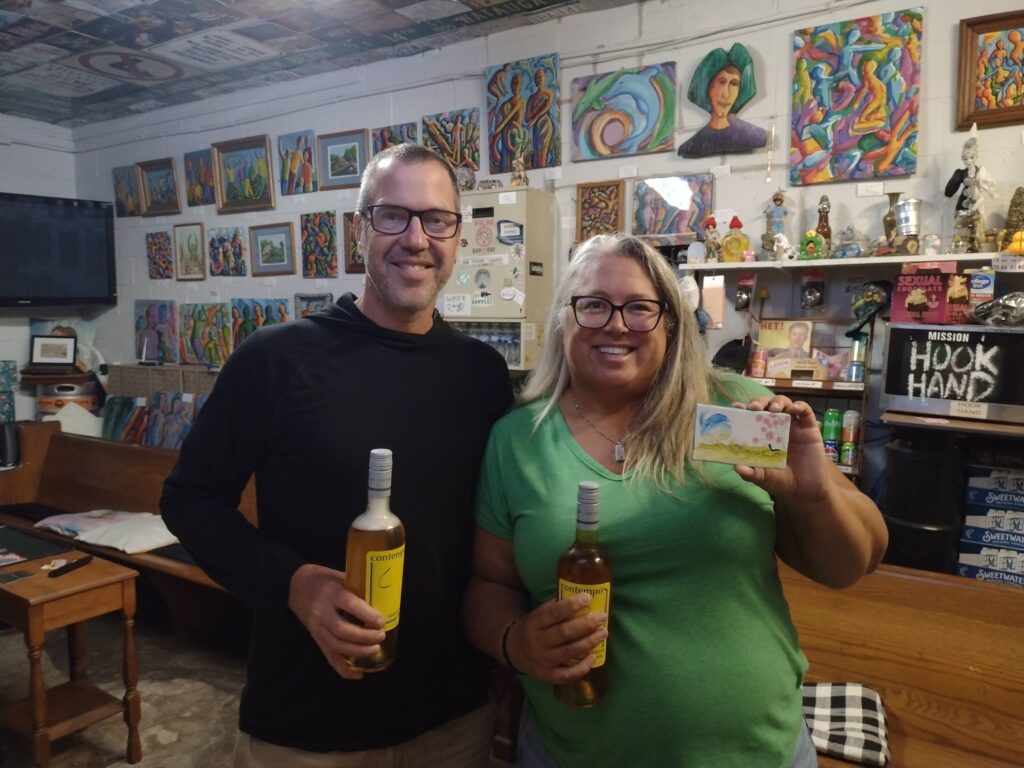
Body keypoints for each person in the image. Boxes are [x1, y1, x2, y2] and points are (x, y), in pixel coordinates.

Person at [463, 234, 887, 768]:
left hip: (757, 751)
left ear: (670, 324)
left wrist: (815, 496)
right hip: (571, 753)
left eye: (640, 308)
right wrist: (516, 641)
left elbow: (855, 563)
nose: (616, 324)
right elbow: (489, 585)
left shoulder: (735, 412)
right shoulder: (519, 440)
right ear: (564, 320)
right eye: (593, 304)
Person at [161, 143, 514, 767]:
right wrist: (294, 584)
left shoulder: (481, 375)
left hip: (454, 720)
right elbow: (189, 500)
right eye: (393, 215)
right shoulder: (277, 359)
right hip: (308, 726)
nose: (416, 239)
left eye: (437, 220)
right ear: (360, 229)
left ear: (458, 237)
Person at [677, 43, 768, 159]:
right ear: (708, 87)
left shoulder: (755, 137)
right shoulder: (693, 145)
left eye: (734, 84)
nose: (726, 94)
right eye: (721, 82)